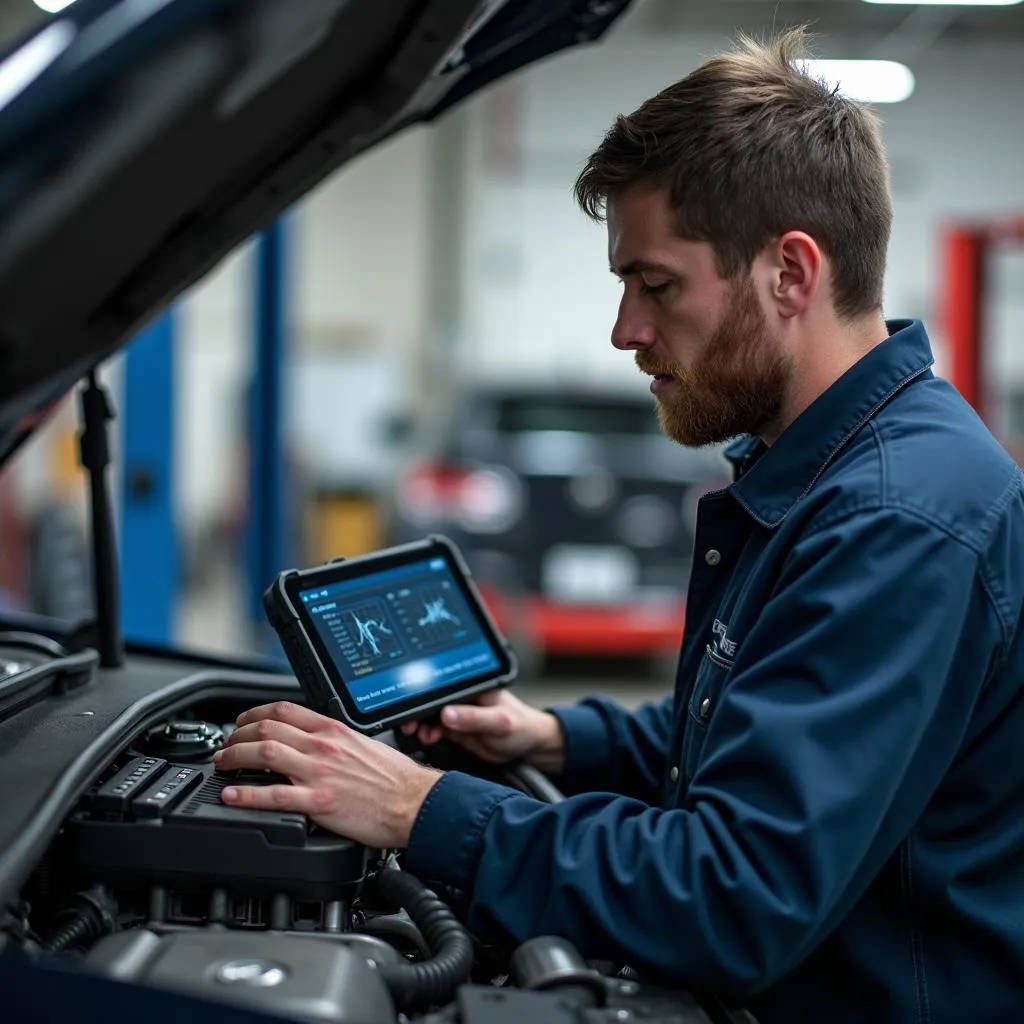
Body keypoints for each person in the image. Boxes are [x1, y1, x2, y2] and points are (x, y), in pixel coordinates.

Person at [213, 26, 1024, 1023]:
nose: (625, 331)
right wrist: (554, 735)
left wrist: (419, 808)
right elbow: (750, 733)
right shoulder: (832, 471)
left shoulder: (896, 517)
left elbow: (734, 891)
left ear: (790, 274)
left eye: (656, 284)